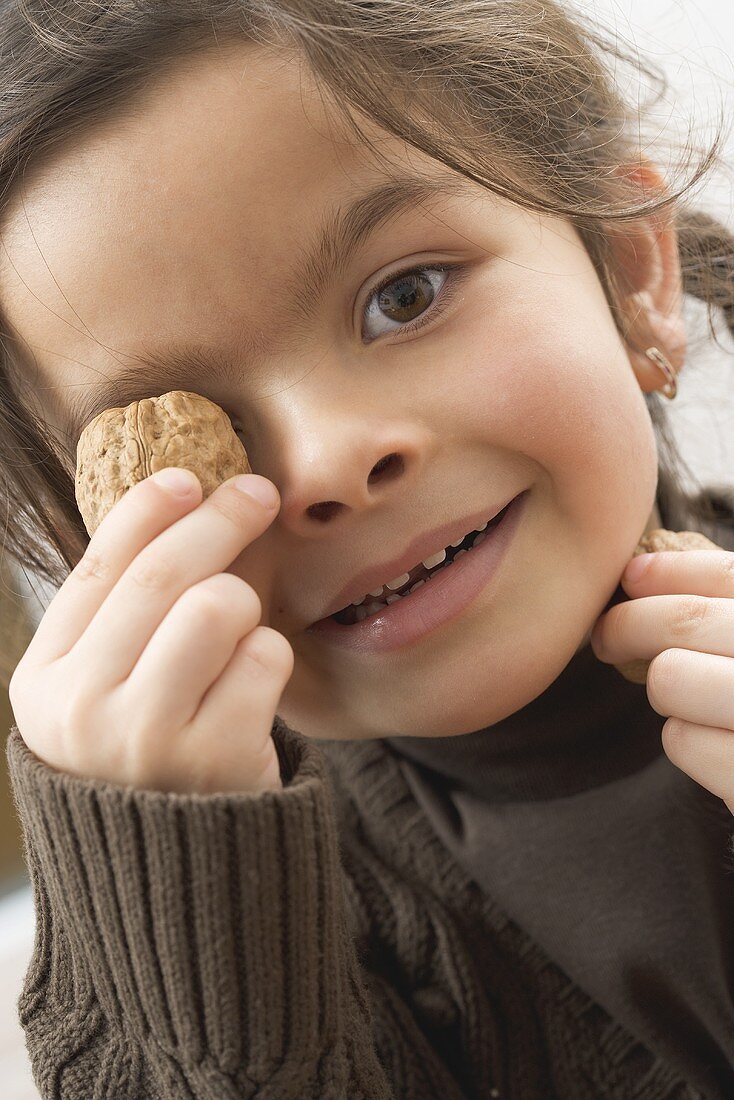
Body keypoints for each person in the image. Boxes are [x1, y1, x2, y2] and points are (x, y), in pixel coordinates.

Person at [2, 2, 734, 1096]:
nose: (330, 465)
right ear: (87, 544)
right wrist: (181, 897)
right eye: (206, 424)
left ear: (632, 274)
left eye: (404, 296)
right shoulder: (185, 943)